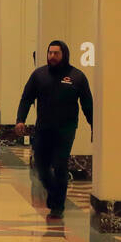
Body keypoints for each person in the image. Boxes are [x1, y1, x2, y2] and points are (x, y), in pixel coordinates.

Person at [14, 39, 94, 220]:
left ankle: (58, 206)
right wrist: (20, 120)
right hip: (43, 129)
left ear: (64, 54)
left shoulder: (77, 77)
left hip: (66, 130)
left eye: (56, 53)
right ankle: (53, 193)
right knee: (41, 168)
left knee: (59, 166)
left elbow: (87, 105)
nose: (52, 56)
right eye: (50, 53)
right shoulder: (39, 75)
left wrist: (93, 126)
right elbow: (26, 98)